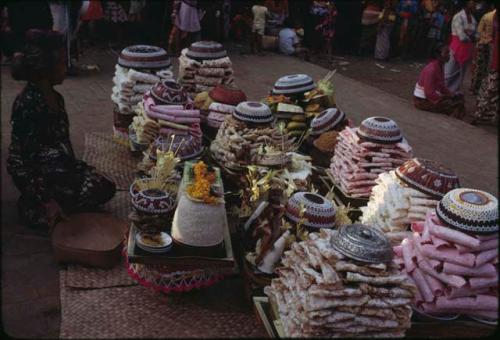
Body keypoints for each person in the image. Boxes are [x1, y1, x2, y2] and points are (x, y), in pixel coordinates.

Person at [8, 29, 116, 232]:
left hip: (59, 171)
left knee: (104, 187)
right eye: (61, 63)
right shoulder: (27, 104)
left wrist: (74, 171)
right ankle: (37, 204)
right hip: (36, 176)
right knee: (49, 213)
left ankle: (59, 201)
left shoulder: (56, 98)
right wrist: (46, 199)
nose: (65, 68)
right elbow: (24, 160)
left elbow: (62, 145)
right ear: (46, 68)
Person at [413, 45, 466, 119]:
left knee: (458, 97)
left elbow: (441, 85)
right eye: (446, 53)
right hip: (422, 101)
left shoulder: (439, 66)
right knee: (457, 104)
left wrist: (450, 94)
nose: (449, 55)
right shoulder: (432, 69)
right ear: (438, 55)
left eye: (448, 53)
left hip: (428, 97)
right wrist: (444, 98)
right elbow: (429, 93)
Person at [471, 10, 498, 124]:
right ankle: (478, 115)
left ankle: (483, 115)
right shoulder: (490, 18)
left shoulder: (492, 19)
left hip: (494, 63)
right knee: (489, 90)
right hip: (496, 65)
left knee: (489, 90)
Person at [444, 0, 477, 93]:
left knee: (460, 73)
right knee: (449, 72)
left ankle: (452, 92)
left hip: (466, 49)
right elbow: (462, 36)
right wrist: (472, 36)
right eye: (472, 2)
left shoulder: (472, 18)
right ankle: (443, 91)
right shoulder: (458, 17)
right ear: (466, 3)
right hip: (456, 47)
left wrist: (469, 35)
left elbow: (476, 35)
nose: (475, 4)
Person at [470, 3, 495, 94]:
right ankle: (483, 89)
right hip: (490, 44)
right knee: (488, 68)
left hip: (483, 43)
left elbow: (479, 31)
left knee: (480, 67)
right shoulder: (490, 16)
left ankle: (476, 88)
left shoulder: (487, 16)